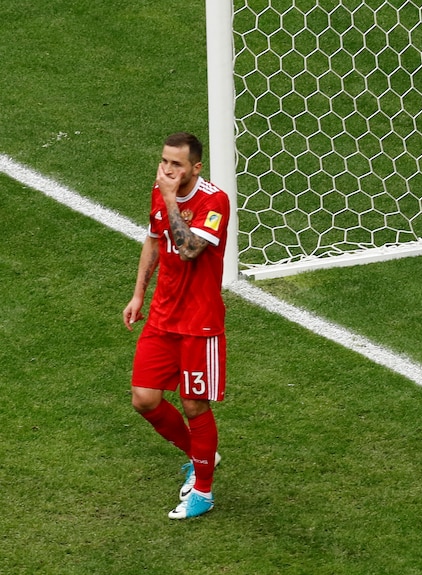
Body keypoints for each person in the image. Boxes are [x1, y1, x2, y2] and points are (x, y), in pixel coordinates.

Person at [123, 132, 230, 519]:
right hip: (162, 316)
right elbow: (154, 241)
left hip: (199, 324)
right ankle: (201, 456)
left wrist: (170, 199)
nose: (167, 170)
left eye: (176, 164)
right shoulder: (160, 190)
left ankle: (203, 492)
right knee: (144, 399)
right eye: (164, 161)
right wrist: (138, 295)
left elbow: (187, 251)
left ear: (195, 167)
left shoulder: (214, 201)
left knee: (193, 404)